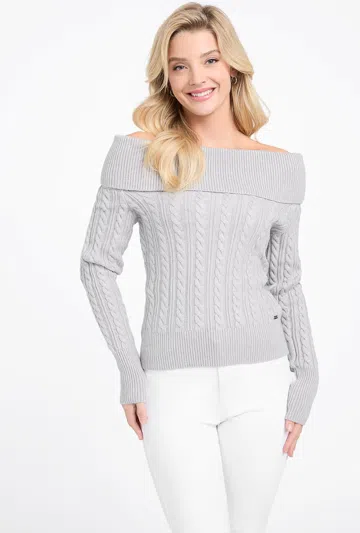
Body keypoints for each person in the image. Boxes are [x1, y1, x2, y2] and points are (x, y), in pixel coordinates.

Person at [80, 2, 319, 532]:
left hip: (261, 382)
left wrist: (307, 376)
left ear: (232, 65)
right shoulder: (137, 156)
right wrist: (129, 372)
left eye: (210, 60)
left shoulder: (279, 169)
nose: (196, 78)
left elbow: (287, 282)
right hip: (169, 386)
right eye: (179, 66)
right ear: (166, 77)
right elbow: (97, 264)